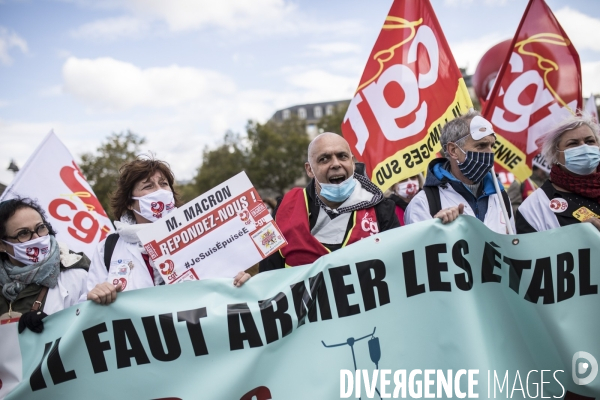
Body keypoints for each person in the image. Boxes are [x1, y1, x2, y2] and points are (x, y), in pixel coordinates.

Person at [85, 157, 251, 305]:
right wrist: (95, 295)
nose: (160, 191)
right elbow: (82, 309)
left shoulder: (198, 235)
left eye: (164, 184)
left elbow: (221, 289)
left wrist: (238, 283)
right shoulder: (108, 248)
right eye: (148, 186)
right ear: (129, 202)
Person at [259, 132, 400, 271]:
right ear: (309, 170)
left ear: (352, 162)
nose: (335, 164)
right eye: (324, 159)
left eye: (342, 156)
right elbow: (267, 279)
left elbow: (399, 266)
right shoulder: (285, 210)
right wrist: (246, 283)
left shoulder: (381, 209)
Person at [404, 110, 515, 233]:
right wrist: (435, 228)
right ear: (453, 150)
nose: (490, 153)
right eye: (481, 146)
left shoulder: (500, 197)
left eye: (492, 146)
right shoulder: (424, 203)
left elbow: (512, 247)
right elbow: (421, 249)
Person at [0, 198, 89, 333]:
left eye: (40, 228)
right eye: (23, 233)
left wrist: (53, 327)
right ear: (2, 245)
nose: (37, 238)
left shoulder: (76, 275)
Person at [516, 115, 600, 233]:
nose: (584, 147)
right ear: (555, 153)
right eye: (573, 144)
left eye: (590, 141)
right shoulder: (533, 208)